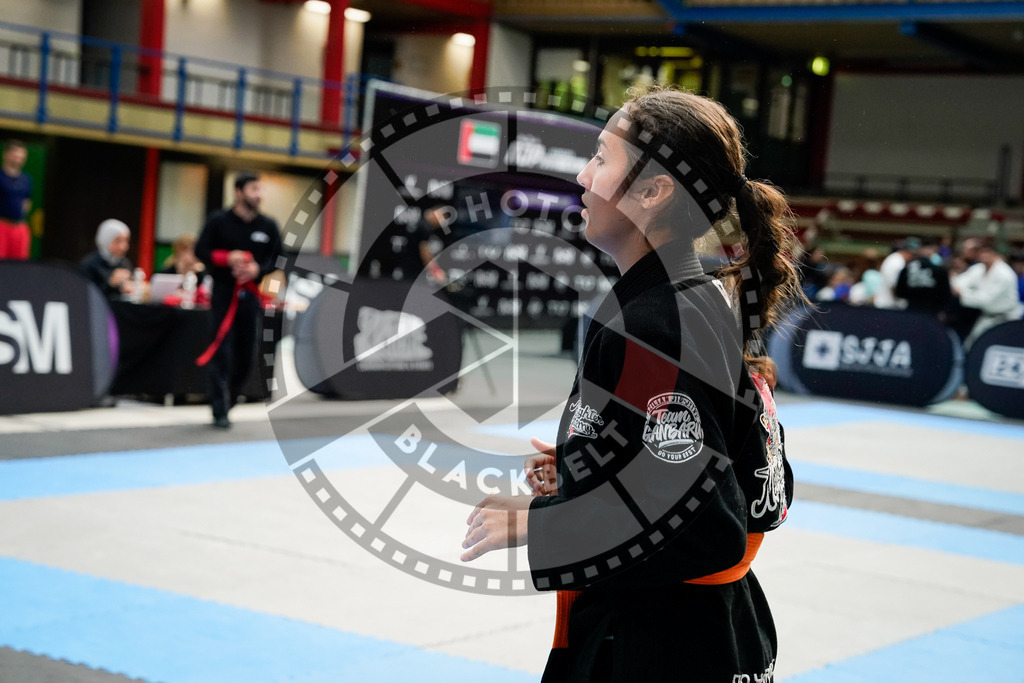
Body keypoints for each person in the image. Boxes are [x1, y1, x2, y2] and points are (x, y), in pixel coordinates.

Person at [461, 86, 800, 682]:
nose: (582, 176)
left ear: (653, 190)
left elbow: (708, 529)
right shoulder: (691, 298)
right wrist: (584, 468)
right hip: (696, 627)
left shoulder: (657, 320)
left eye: (599, 157)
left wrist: (543, 524)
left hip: (663, 644)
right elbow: (732, 466)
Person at [195, 173, 282, 429]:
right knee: (221, 351)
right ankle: (219, 409)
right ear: (238, 192)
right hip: (223, 294)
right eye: (254, 189)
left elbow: (280, 258)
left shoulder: (268, 225)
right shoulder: (219, 221)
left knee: (245, 356)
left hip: (251, 298)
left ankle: (230, 398)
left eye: (260, 190)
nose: (259, 194)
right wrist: (226, 258)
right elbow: (202, 250)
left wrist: (258, 270)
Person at [952, 244, 1024, 349]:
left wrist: (962, 293)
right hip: (987, 316)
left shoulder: (1004, 273)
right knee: (972, 345)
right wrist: (961, 290)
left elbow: (985, 299)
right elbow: (958, 282)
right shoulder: (978, 268)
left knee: (1000, 347)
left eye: (987, 253)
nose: (983, 256)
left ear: (995, 255)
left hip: (1005, 317)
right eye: (982, 253)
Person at [893, 238, 951, 317]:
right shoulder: (939, 270)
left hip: (911, 310)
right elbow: (945, 294)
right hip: (931, 312)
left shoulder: (908, 268)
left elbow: (899, 291)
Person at [80, 219, 136, 299]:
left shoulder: (124, 263)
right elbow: (85, 294)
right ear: (106, 240)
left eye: (126, 241)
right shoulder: (90, 264)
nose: (123, 247)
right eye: (118, 241)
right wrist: (110, 283)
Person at [0, 139, 32, 260]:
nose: (18, 159)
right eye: (15, 155)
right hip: (2, 226)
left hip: (19, 228)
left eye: (21, 156)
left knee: (20, 264)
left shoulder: (26, 179)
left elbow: (27, 201)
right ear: (6, 155)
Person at [874, 237, 918, 309]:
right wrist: (901, 303)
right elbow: (893, 286)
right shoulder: (897, 261)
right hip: (888, 305)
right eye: (914, 255)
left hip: (887, 304)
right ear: (909, 252)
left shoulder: (895, 258)